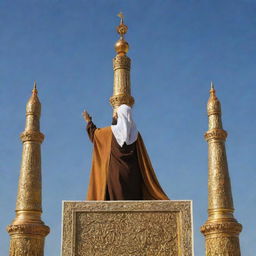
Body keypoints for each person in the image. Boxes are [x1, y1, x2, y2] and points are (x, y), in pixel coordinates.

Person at [83, 104, 169, 201]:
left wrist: (89, 121)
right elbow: (142, 155)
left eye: (116, 115)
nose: (114, 116)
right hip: (134, 176)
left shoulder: (109, 132)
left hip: (115, 175)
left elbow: (94, 135)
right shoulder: (136, 135)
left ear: (119, 116)